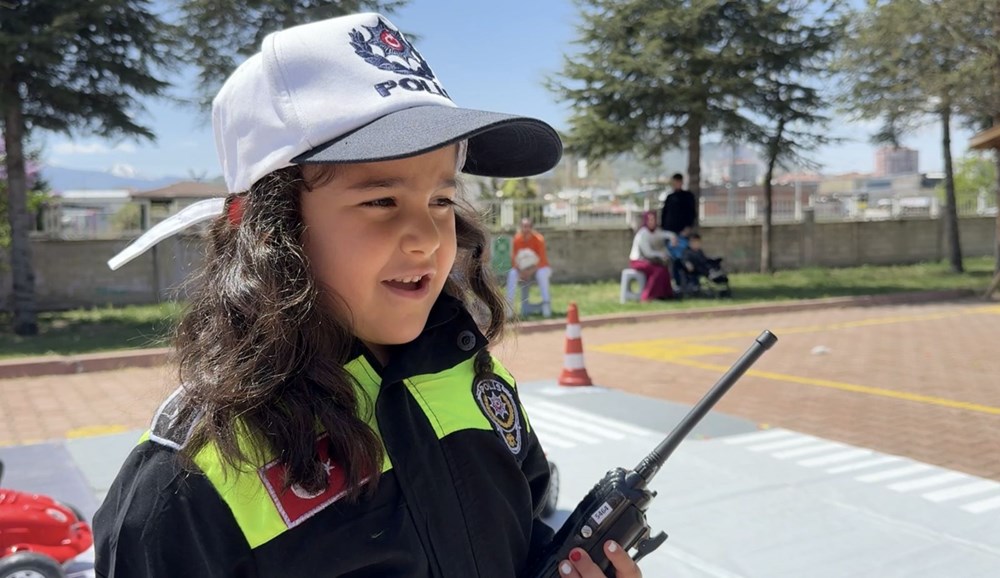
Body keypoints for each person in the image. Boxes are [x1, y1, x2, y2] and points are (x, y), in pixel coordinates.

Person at [92, 13, 642, 578]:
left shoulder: (472, 379)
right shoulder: (185, 487)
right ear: (269, 228)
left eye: (442, 201)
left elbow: (523, 527)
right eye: (381, 201)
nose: (429, 239)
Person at [506, 217, 552, 317]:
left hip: (539, 268)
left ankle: (546, 307)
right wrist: (521, 272)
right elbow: (514, 259)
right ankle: (508, 310)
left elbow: (541, 260)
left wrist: (529, 272)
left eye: (527, 227)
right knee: (512, 273)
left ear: (531, 228)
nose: (525, 229)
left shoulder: (539, 239)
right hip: (522, 270)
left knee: (542, 274)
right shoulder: (517, 239)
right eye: (523, 227)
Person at [629, 211, 676, 301]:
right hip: (637, 261)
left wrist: (672, 237)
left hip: (650, 261)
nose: (652, 222)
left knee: (664, 270)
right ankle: (648, 296)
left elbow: (666, 234)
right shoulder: (643, 234)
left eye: (653, 219)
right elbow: (648, 253)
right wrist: (661, 255)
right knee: (657, 271)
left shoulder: (656, 231)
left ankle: (665, 295)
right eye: (650, 220)